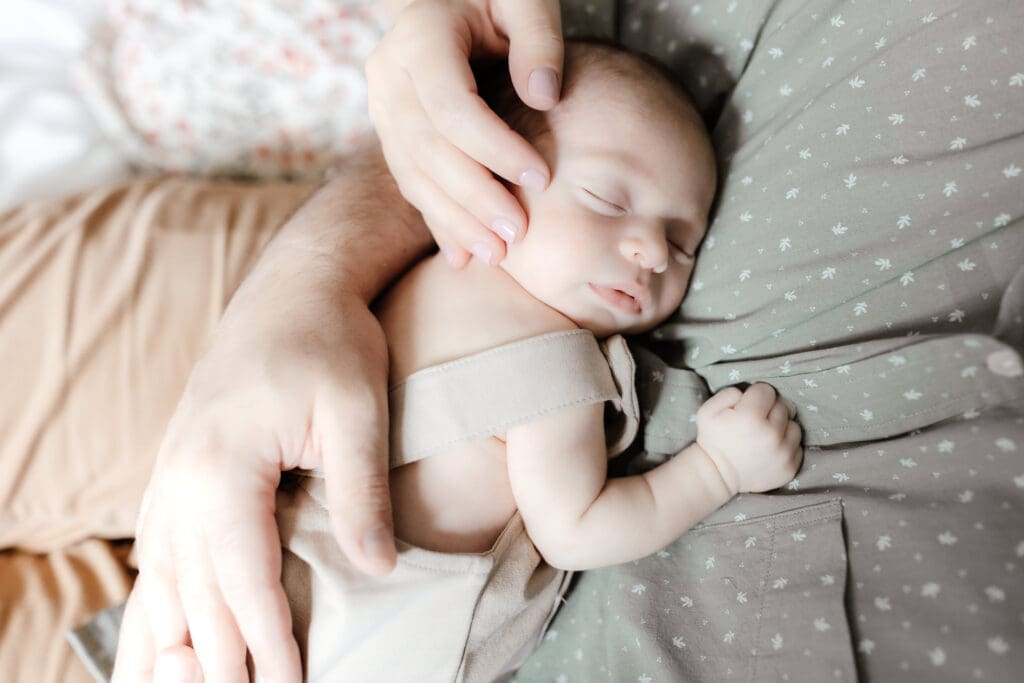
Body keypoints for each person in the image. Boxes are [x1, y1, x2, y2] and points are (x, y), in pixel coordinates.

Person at [261, 40, 801, 680]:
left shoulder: (415, 278)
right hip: (360, 641)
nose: (653, 251)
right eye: (608, 199)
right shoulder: (550, 359)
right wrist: (718, 468)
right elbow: (575, 530)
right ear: (486, 179)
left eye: (683, 244)